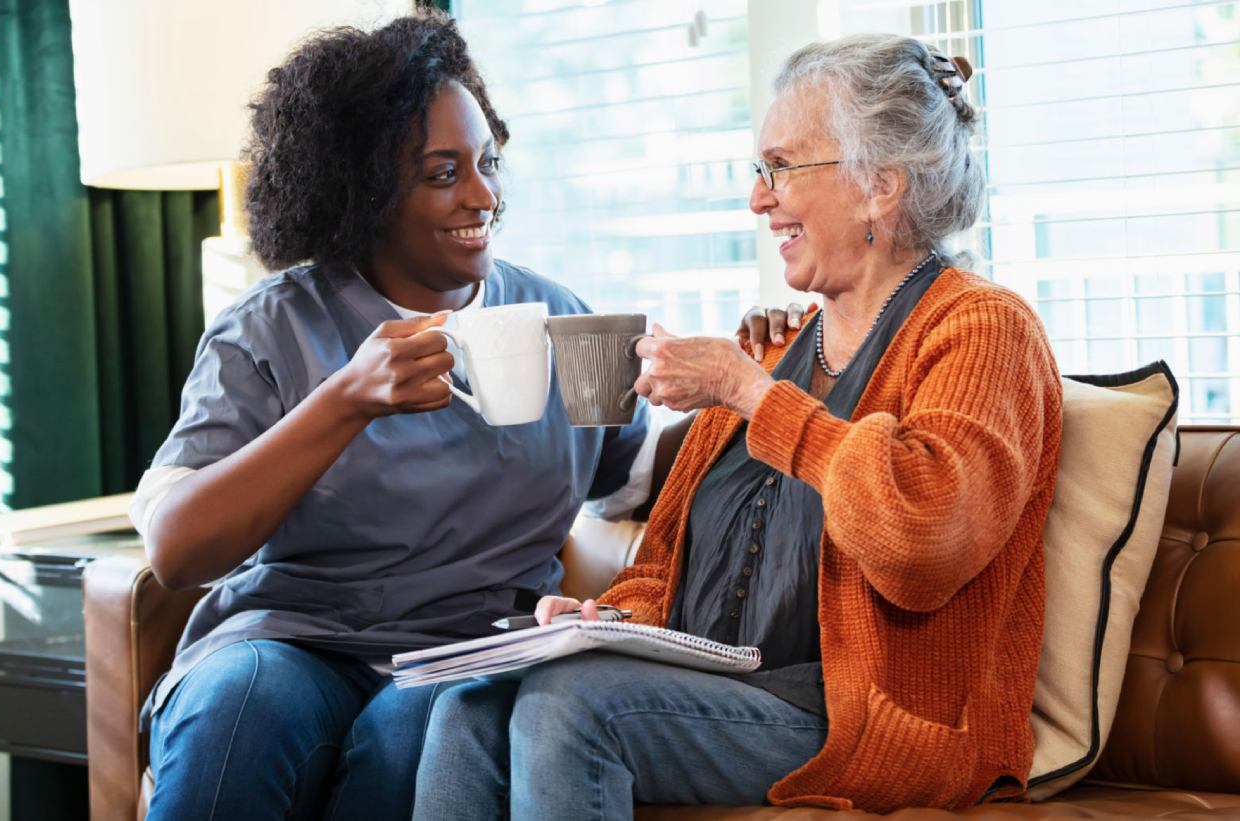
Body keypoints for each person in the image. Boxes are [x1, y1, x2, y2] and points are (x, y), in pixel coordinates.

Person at [130, 10, 796, 821]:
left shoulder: (557, 316)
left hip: (474, 649)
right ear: (363, 191)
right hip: (290, 643)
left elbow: (644, 476)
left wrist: (757, 383)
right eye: (444, 173)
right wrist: (345, 398)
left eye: (487, 163)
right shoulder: (273, 327)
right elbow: (175, 549)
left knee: (423, 731)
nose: (484, 196)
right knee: (238, 705)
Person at [413, 34, 1063, 819]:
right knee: (467, 707)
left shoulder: (982, 328)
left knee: (570, 706)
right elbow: (662, 566)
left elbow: (923, 539)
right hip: (725, 690)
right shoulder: (785, 346)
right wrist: (611, 622)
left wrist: (747, 389)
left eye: (781, 168)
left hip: (872, 719)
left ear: (878, 187)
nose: (758, 199)